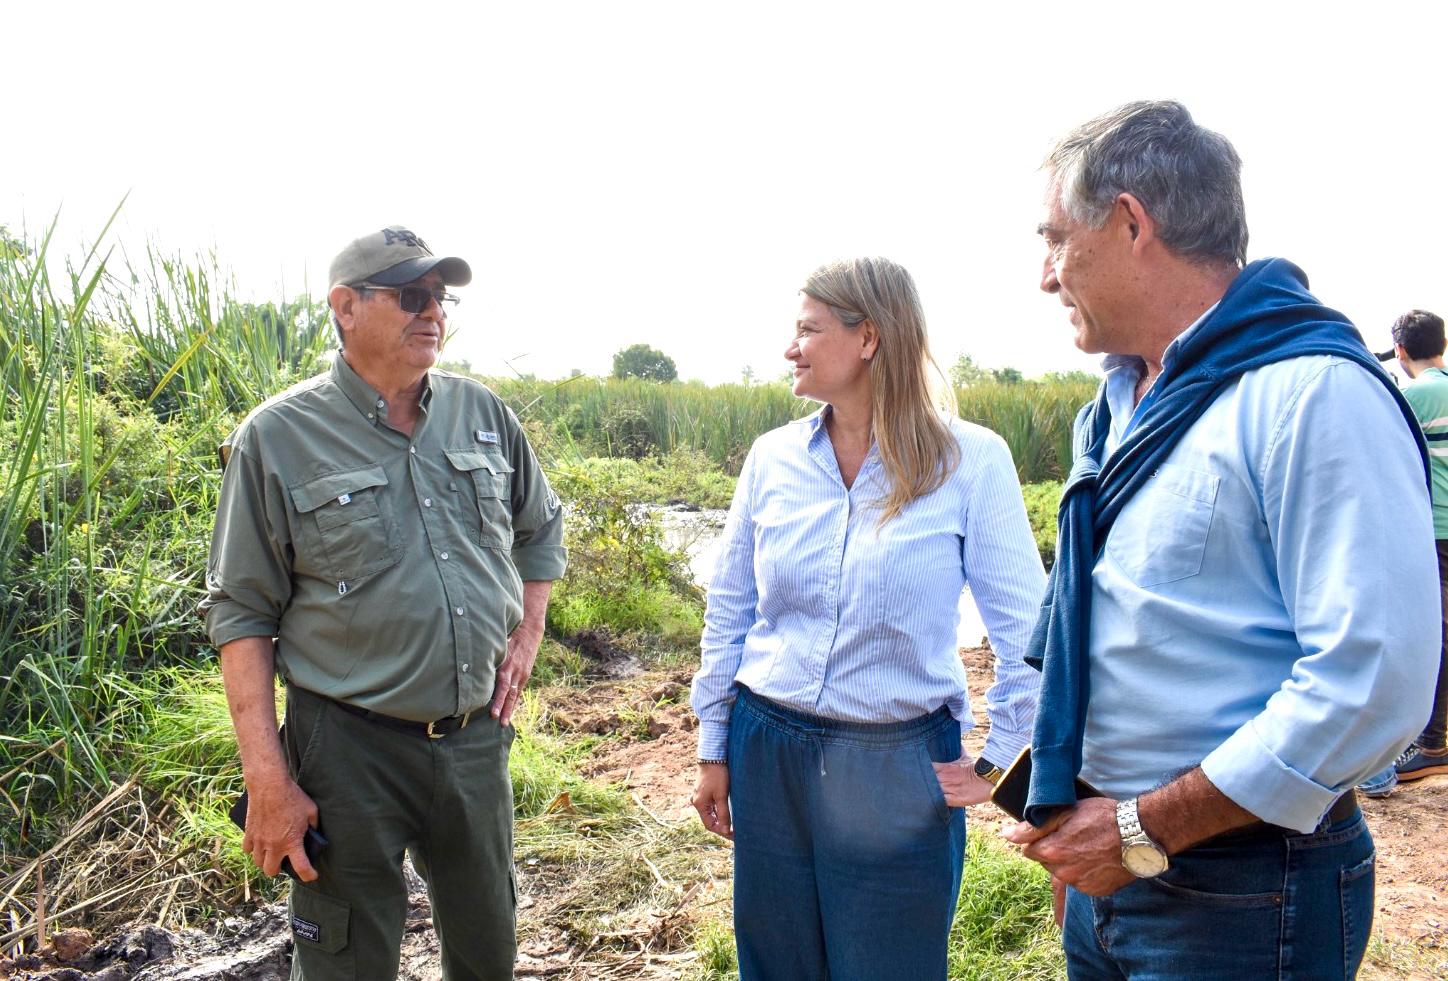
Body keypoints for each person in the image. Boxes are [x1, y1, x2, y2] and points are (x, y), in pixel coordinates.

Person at [1004, 101, 1441, 979]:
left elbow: (1373, 681)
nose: (1046, 277)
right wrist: (1088, 816)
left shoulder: (1312, 394)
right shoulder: (1119, 405)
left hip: (1244, 890)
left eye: (1055, 240)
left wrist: (1139, 828)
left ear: (1131, 221)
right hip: (1112, 872)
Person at [201, 226, 566, 980]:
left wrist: (526, 639)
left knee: (488, 948)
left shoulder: (483, 416)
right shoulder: (276, 437)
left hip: (473, 743)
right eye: (410, 295)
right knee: (345, 962)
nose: (432, 311)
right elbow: (241, 615)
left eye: (440, 296)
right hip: (347, 750)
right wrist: (268, 782)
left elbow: (541, 529)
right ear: (345, 307)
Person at [689, 257, 1046, 980]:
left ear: (869, 339)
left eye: (808, 329)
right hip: (771, 749)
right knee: (777, 965)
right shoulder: (772, 458)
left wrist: (998, 758)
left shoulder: (969, 460)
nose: (792, 347)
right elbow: (730, 611)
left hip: (897, 765)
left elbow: (1028, 632)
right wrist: (714, 742)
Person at [1358, 310, 1448, 796]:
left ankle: (1428, 745)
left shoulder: (1413, 395)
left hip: (1433, 528)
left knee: (1426, 632)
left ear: (1400, 351)